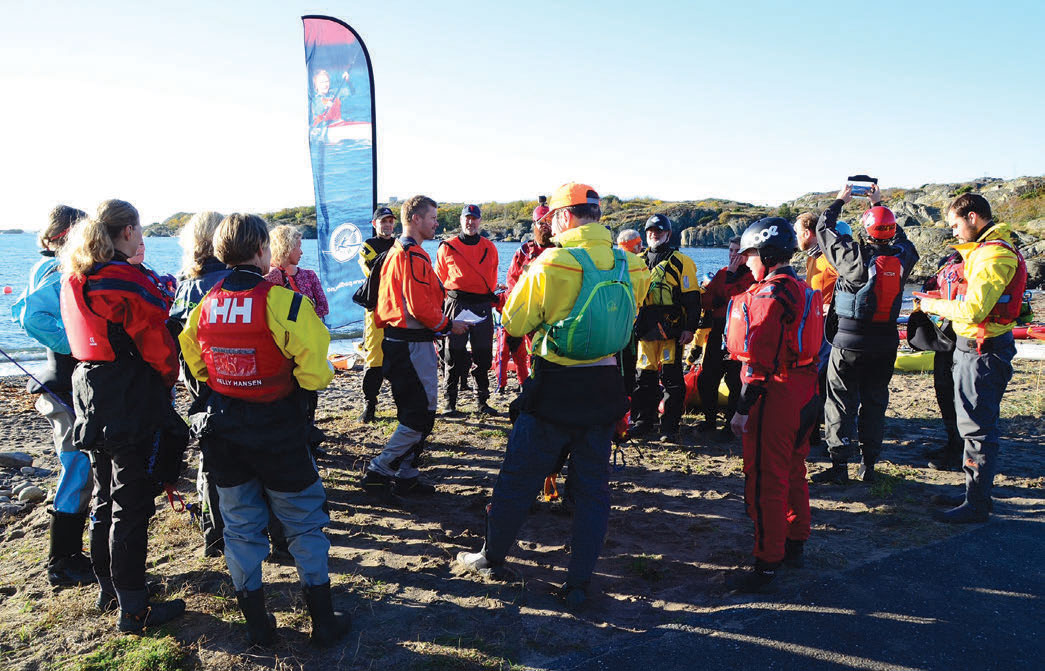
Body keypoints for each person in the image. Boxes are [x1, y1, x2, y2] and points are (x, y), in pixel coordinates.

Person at [456, 182, 650, 609]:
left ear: (563, 217)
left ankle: (491, 558)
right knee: (594, 491)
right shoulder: (632, 264)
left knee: (517, 479)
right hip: (605, 389)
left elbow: (515, 322)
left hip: (554, 388)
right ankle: (579, 583)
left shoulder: (552, 262)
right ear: (597, 216)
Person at [179, 213, 350, 647]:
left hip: (226, 433)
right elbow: (316, 373)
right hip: (279, 430)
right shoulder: (287, 303)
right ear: (262, 251)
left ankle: (257, 625)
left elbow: (196, 367)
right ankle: (323, 622)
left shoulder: (202, 308)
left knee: (239, 526)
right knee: (304, 524)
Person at [59, 199, 186, 632]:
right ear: (128, 231)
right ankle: (134, 608)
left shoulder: (78, 275)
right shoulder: (119, 280)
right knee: (130, 506)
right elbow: (156, 336)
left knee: (105, 497)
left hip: (89, 391)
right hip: (127, 396)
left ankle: (109, 588)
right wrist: (168, 378)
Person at [724, 217, 822, 593]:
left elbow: (760, 361)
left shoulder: (769, 295)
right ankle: (796, 542)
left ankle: (766, 564)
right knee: (794, 470)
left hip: (777, 395)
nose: (747, 262)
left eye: (750, 255)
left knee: (766, 479)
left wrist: (742, 408)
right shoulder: (800, 287)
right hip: (805, 391)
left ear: (765, 254)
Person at [918, 194, 1027, 523]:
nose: (953, 232)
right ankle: (974, 492)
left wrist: (930, 305)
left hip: (983, 351)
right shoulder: (986, 251)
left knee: (978, 429)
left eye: (955, 225)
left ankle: (977, 504)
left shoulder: (993, 255)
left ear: (974, 217)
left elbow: (974, 310)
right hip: (977, 347)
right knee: (972, 425)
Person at [361, 196, 469, 501]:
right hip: (410, 344)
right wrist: (449, 326)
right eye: (432, 217)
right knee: (419, 415)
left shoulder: (398, 251)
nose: (437, 223)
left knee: (415, 411)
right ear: (416, 219)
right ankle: (379, 472)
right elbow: (419, 305)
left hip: (400, 342)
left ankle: (407, 475)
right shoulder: (412, 254)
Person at [811, 184, 919, 485]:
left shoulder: (853, 259)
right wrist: (878, 203)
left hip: (849, 343)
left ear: (867, 230)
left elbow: (823, 228)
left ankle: (839, 466)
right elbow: (903, 239)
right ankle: (868, 465)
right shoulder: (904, 257)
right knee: (874, 402)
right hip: (885, 343)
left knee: (839, 403)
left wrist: (840, 201)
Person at [10, 205, 94, 587]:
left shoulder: (44, 266)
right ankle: (62, 562)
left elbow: (18, 310)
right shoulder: (59, 268)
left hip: (58, 383)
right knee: (77, 468)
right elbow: (28, 315)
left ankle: (71, 556)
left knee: (79, 467)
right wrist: (77, 343)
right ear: (69, 235)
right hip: (62, 387)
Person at [168, 211, 230, 558]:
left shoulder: (184, 285)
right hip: (233, 376)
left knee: (209, 455)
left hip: (196, 380)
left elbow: (176, 335)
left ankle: (214, 533)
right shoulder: (230, 281)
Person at [630, 214, 701, 442]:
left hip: (670, 330)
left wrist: (690, 328)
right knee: (643, 377)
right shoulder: (637, 260)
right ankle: (643, 421)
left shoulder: (681, 262)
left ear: (668, 234)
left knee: (671, 378)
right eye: (650, 231)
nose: (653, 234)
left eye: (658, 231)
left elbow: (693, 300)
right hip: (645, 330)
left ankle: (670, 426)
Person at [436, 204, 503, 417]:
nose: (470, 222)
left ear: (479, 221)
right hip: (456, 304)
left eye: (474, 219)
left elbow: (492, 277)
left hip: (482, 306)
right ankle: (450, 403)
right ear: (461, 220)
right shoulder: (447, 246)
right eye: (467, 218)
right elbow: (440, 279)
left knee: (483, 355)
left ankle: (482, 402)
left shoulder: (489, 247)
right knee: (452, 354)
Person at [795, 212, 848, 447]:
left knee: (821, 382)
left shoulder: (829, 258)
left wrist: (829, 307)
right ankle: (813, 432)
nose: (795, 237)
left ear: (808, 233)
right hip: (815, 329)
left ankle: (824, 436)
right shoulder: (811, 258)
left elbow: (854, 283)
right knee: (812, 382)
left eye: (797, 233)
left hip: (830, 331)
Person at [696, 235, 754, 441]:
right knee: (706, 378)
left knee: (734, 380)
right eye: (730, 250)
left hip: (739, 332)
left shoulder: (752, 277)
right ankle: (709, 419)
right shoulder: (722, 272)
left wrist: (724, 290)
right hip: (718, 329)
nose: (733, 255)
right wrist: (720, 294)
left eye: (738, 251)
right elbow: (706, 300)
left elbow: (736, 299)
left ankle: (731, 425)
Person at [494, 203, 556, 394]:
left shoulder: (560, 250)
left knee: (547, 351)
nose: (544, 226)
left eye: (548, 222)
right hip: (526, 309)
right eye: (541, 222)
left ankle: (544, 383)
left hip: (551, 312)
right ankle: (511, 384)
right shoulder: (523, 252)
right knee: (512, 349)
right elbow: (512, 281)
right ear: (534, 225)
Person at [917, 251, 964, 471]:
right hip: (946, 336)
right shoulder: (951, 260)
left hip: (965, 338)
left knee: (959, 395)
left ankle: (961, 449)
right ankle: (953, 443)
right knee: (944, 390)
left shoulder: (979, 260)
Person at [357, 207, 398, 422]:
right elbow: (375, 271)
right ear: (375, 224)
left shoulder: (400, 245)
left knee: (400, 357)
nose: (388, 225)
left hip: (399, 309)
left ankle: (402, 404)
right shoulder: (367, 246)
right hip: (376, 309)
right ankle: (369, 404)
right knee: (374, 357)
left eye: (391, 221)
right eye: (383, 221)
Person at [264, 225, 329, 319]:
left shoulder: (309, 275)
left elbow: (324, 307)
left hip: (305, 329)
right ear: (287, 248)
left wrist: (303, 319)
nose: (301, 252)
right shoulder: (270, 276)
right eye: (299, 246)